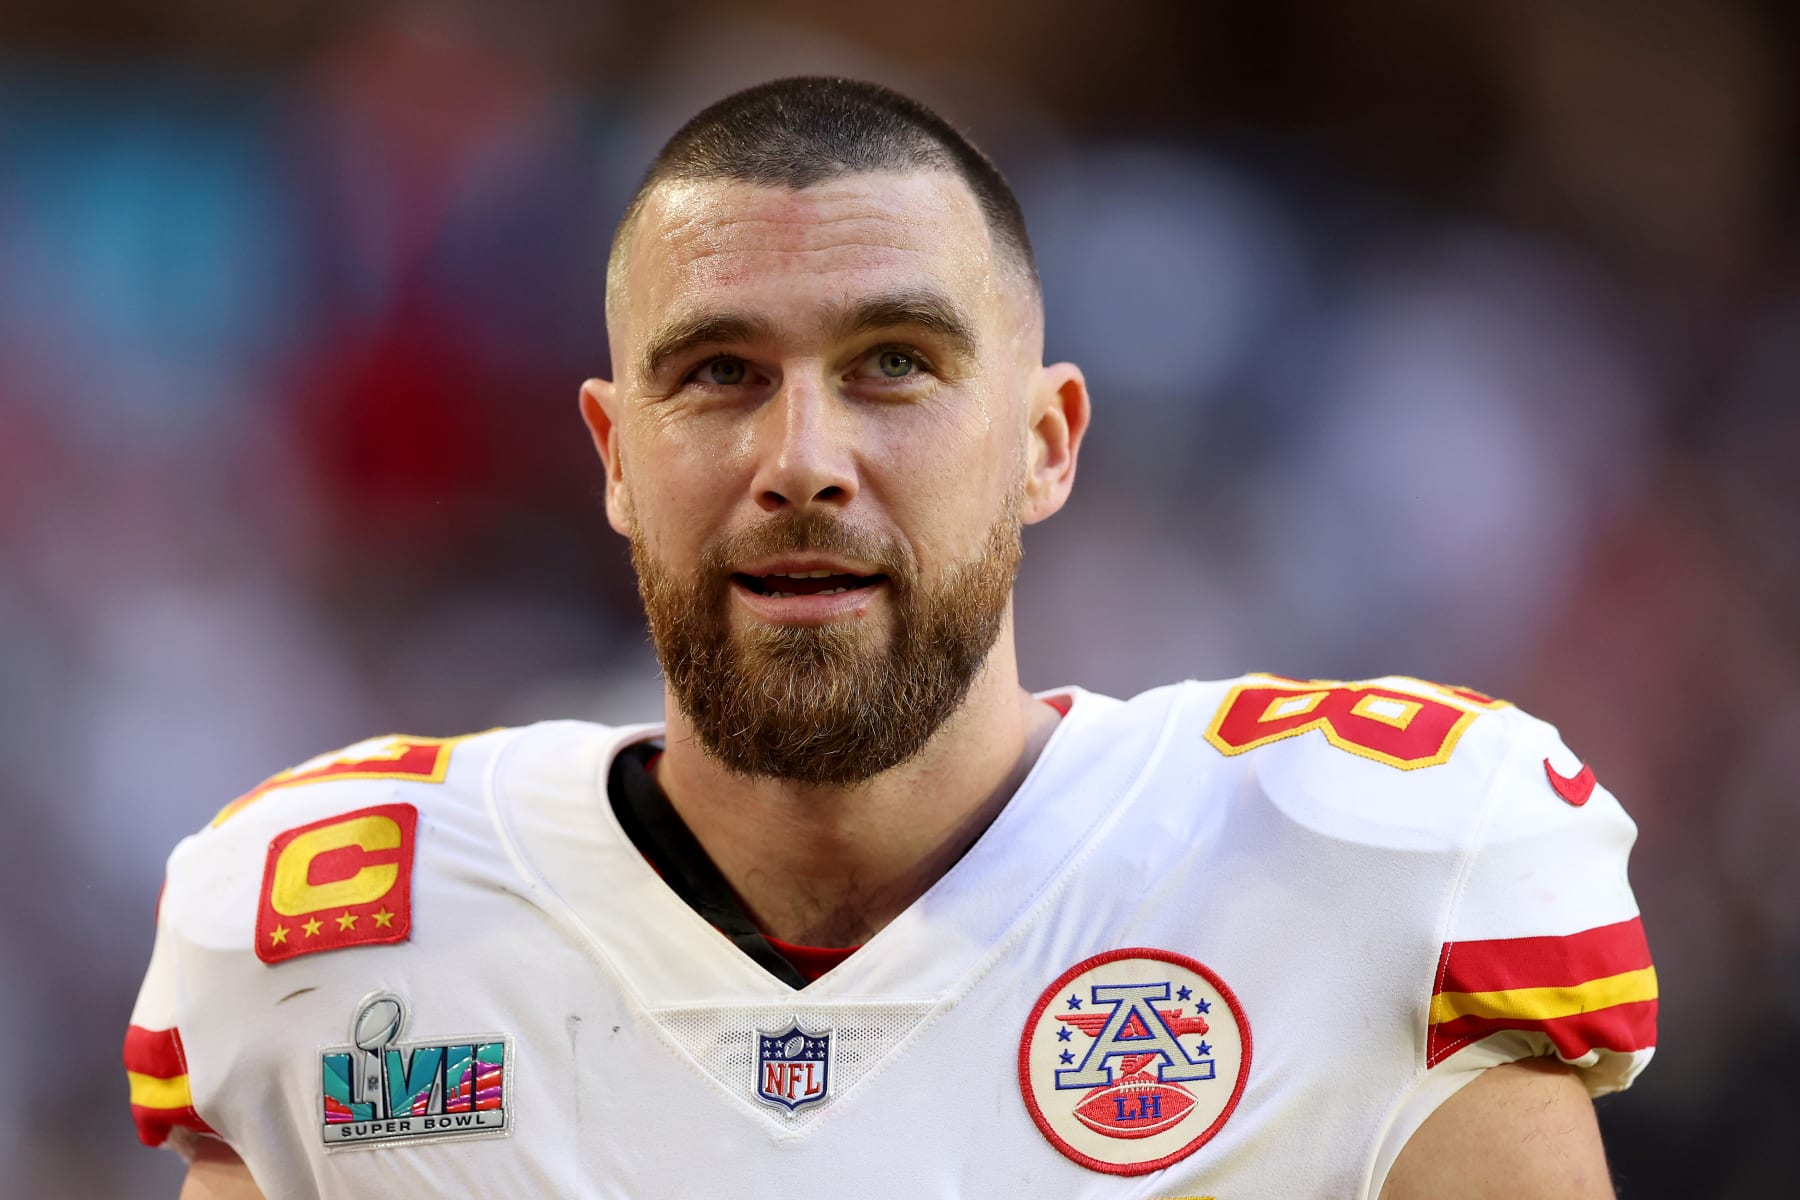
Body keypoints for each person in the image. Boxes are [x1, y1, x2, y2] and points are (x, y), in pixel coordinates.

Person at [124, 77, 1656, 1199]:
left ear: (1047, 443)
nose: (802, 457)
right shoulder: (334, 940)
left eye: (895, 365)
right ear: (609, 454)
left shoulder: (1370, 870)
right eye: (719, 372)